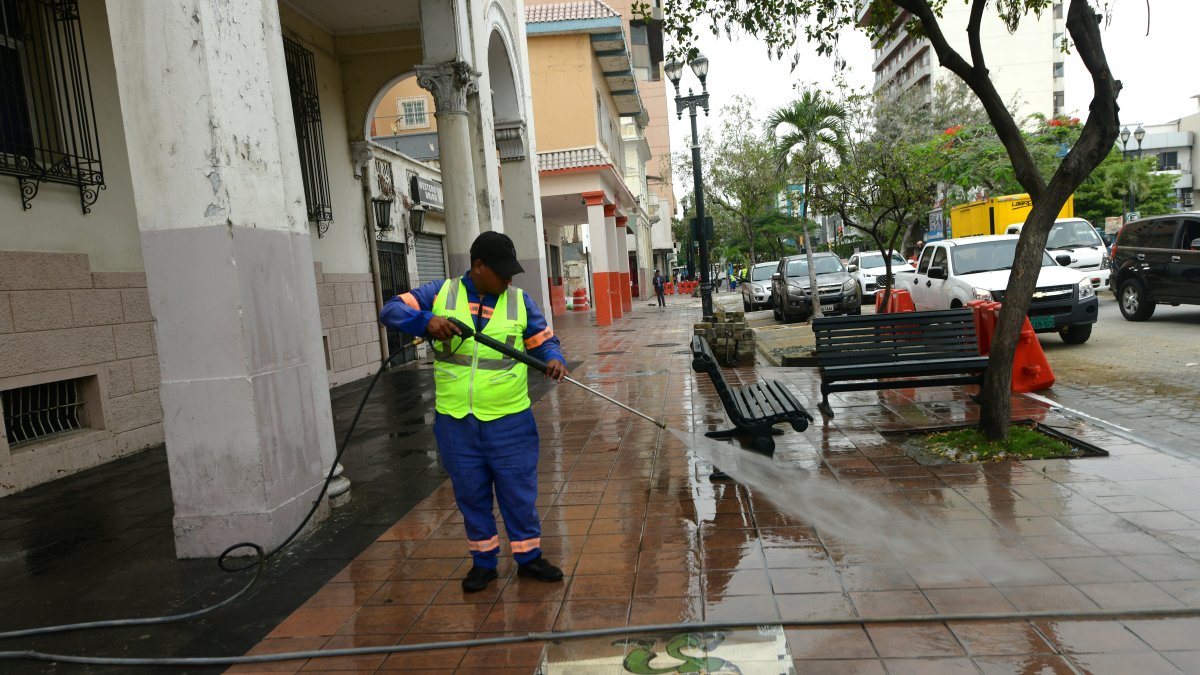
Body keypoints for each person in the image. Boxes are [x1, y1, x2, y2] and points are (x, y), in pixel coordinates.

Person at [379, 231, 568, 593]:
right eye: (502, 272)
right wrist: (425, 322)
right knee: (471, 495)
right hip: (456, 423)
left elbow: (544, 340)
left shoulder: (519, 301)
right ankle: (484, 563)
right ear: (478, 267)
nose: (509, 279)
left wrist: (553, 359)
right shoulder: (440, 293)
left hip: (510, 420)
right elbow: (390, 309)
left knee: (518, 494)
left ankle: (529, 558)